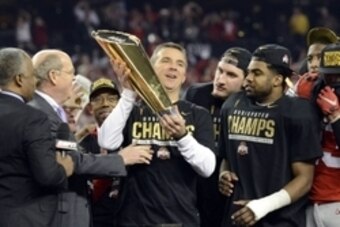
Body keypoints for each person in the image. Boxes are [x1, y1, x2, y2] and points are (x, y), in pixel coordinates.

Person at [28, 49, 153, 227]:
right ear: (54, 76)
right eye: (71, 73)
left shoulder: (45, 111)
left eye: (111, 98)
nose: (74, 79)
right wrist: (122, 158)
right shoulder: (41, 114)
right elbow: (72, 162)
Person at [98, 42, 216, 227]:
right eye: (166, 60)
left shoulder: (197, 114)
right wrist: (129, 93)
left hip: (180, 219)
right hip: (134, 219)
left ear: (184, 76)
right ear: (151, 69)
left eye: (180, 64)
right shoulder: (133, 110)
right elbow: (106, 141)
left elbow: (208, 168)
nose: (173, 67)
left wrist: (183, 136)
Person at [218, 44, 322, 226]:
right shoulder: (231, 104)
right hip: (236, 217)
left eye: (256, 73)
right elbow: (226, 157)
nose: (247, 79)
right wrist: (224, 173)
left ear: (277, 80)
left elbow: (305, 179)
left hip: (280, 220)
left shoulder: (298, 113)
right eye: (248, 72)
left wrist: (262, 206)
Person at [0, 47, 74, 227]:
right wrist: (63, 169)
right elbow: (47, 176)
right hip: (23, 217)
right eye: (32, 76)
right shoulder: (32, 118)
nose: (35, 81)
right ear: (19, 79)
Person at [184, 47, 251, 227]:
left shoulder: (253, 106)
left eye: (231, 75)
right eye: (220, 70)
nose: (220, 80)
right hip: (193, 188)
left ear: (246, 81)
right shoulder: (196, 95)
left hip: (230, 192)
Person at [79, 77, 122, 227]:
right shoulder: (83, 145)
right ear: (90, 108)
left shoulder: (133, 139)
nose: (105, 104)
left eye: (111, 99)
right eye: (98, 99)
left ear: (121, 105)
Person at [305, 43, 340, 227]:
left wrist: (336, 117)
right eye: (330, 73)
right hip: (311, 199)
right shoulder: (310, 89)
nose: (334, 79)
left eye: (339, 74)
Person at [295, 27, 338, 99]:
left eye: (320, 57)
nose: (313, 65)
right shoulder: (297, 90)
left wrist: (336, 110)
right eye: (309, 59)